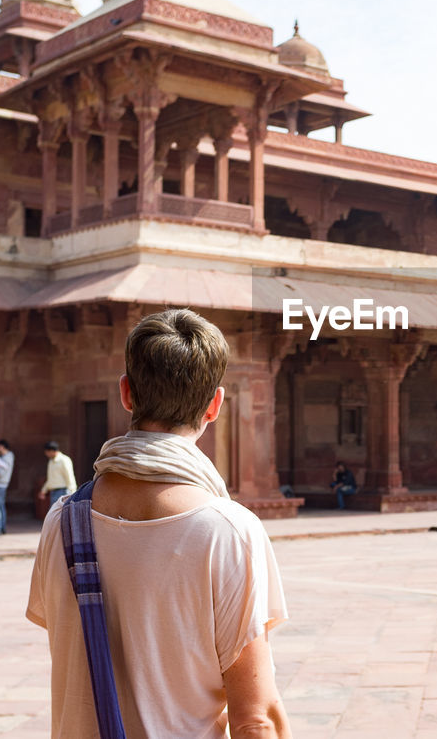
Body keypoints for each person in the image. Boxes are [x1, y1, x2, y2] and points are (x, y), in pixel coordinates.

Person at [26, 307, 290, 737]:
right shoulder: (228, 530)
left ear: (126, 394)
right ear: (215, 406)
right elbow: (255, 717)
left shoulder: (62, 521)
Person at [38, 441, 77, 507]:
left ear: (51, 451)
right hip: (53, 492)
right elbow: (51, 478)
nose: (46, 454)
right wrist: (43, 490)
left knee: (61, 514)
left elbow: (69, 477)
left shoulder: (64, 460)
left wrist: (73, 492)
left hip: (63, 491)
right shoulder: (51, 461)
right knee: (54, 514)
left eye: (47, 452)